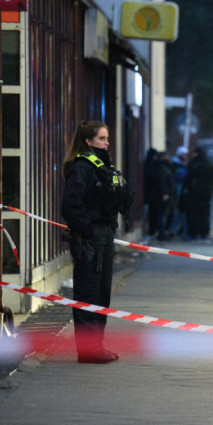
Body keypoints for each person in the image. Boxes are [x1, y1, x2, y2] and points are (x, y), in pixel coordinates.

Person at [61, 120, 134, 363]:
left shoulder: (104, 166)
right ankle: (87, 350)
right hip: (90, 236)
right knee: (88, 292)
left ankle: (97, 345)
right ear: (88, 141)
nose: (107, 143)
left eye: (107, 138)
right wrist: (86, 230)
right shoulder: (82, 167)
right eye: (102, 138)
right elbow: (71, 205)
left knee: (102, 294)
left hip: (104, 235)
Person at [180, 146, 213, 240]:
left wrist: (186, 189)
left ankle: (194, 232)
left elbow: (188, 179)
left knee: (194, 213)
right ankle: (204, 232)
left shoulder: (194, 164)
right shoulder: (209, 164)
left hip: (194, 192)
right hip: (207, 192)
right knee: (205, 212)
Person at [167, 146, 190, 240]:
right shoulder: (177, 165)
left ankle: (176, 230)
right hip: (177, 191)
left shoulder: (178, 164)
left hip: (179, 191)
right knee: (178, 212)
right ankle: (174, 230)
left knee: (179, 212)